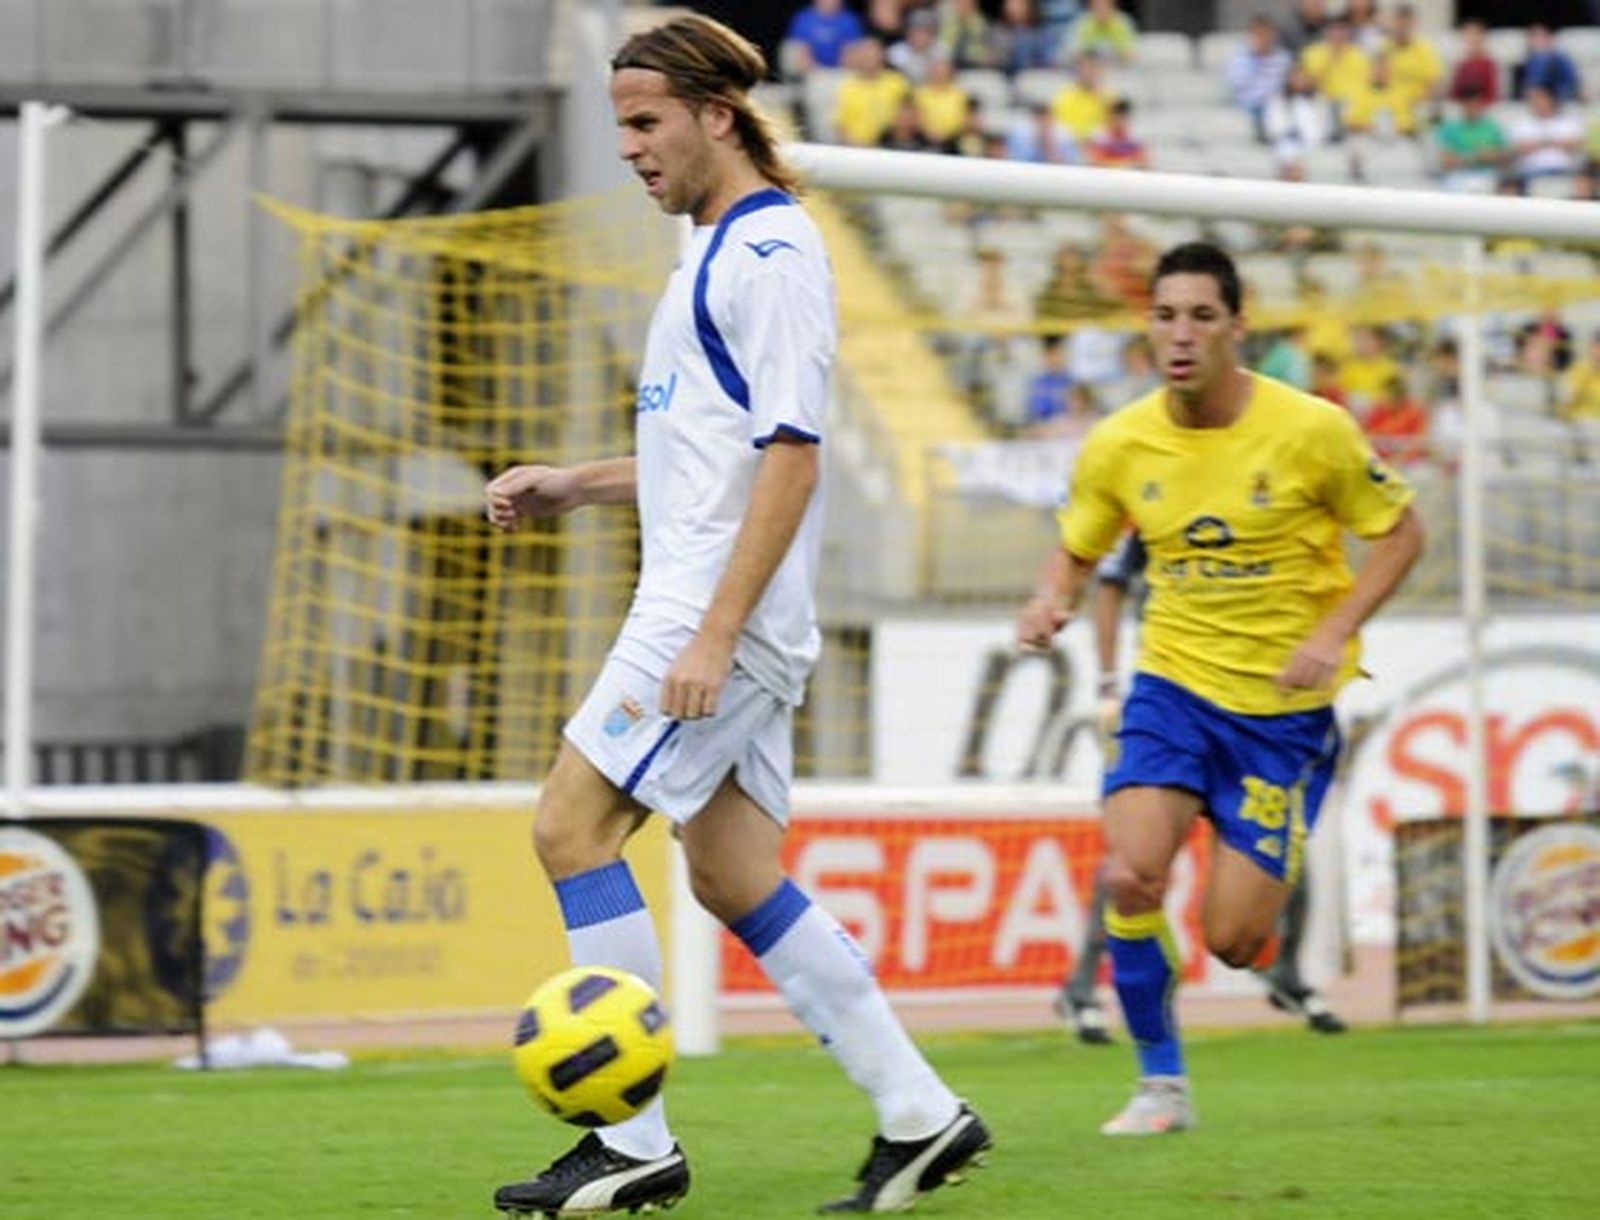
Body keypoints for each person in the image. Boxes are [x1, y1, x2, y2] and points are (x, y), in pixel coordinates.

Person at [485, 16, 991, 1214]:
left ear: (718, 116)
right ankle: (921, 1114)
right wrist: (577, 483)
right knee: (731, 873)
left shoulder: (767, 253)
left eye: (645, 121)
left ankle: (628, 1140)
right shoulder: (715, 252)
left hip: (712, 613)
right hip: (721, 604)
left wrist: (714, 631)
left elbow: (791, 459)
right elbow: (708, 457)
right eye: (619, 124)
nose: (628, 147)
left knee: (571, 827)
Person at [1015, 242, 1423, 1136]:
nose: (1181, 335)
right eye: (1165, 316)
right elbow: (1078, 549)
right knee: (1129, 875)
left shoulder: (1312, 430)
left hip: (1280, 715)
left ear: (1238, 327)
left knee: (1235, 943)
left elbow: (1401, 533)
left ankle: (1261, 882)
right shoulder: (1120, 442)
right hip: (1172, 690)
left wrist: (1333, 632)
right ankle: (1161, 1085)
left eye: (1202, 317)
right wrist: (1050, 599)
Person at [1053, 532, 1352, 1045]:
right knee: (1134, 862)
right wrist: (1107, 684)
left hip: (1261, 704)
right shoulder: (1150, 499)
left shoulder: (1276, 506)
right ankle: (1083, 987)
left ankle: (1286, 968)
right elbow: (1108, 584)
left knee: (1280, 848)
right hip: (1174, 700)